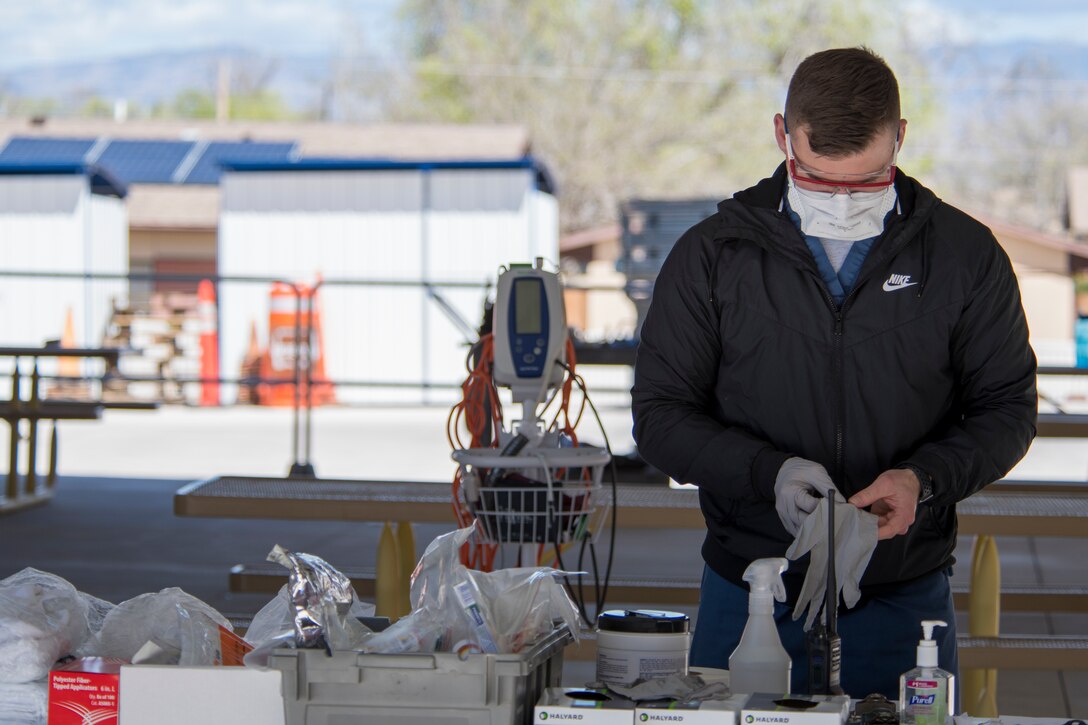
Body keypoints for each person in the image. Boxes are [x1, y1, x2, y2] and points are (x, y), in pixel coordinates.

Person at [631, 46, 1037, 699]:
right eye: (819, 180)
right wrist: (771, 473)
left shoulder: (965, 257)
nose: (843, 201)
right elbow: (659, 416)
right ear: (780, 135)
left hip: (904, 597)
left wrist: (922, 480)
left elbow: (1008, 408)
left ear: (900, 138)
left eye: (868, 181)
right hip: (751, 589)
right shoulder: (712, 257)